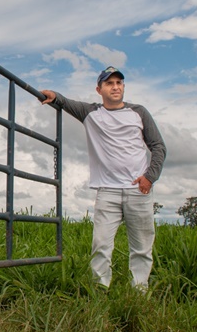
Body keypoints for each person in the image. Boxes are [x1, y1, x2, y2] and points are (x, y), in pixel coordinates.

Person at [40, 66, 166, 290]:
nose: (115, 87)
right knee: (100, 245)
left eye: (119, 83)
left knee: (141, 247)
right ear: (99, 89)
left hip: (138, 190)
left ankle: (139, 292)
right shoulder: (90, 113)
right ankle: (100, 291)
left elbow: (158, 146)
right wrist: (54, 96)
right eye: (109, 83)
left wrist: (150, 177)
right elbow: (65, 102)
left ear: (123, 87)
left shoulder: (139, 112)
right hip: (107, 191)